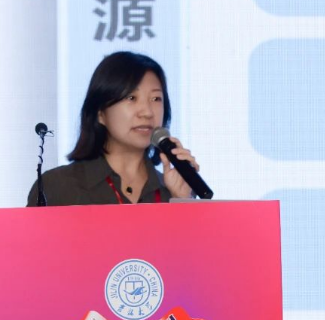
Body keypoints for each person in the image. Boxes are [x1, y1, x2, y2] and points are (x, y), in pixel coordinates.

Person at [27, 51, 200, 206]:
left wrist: (182, 200)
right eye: (131, 98)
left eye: (156, 99)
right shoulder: (57, 187)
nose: (147, 112)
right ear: (100, 113)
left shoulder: (173, 192)